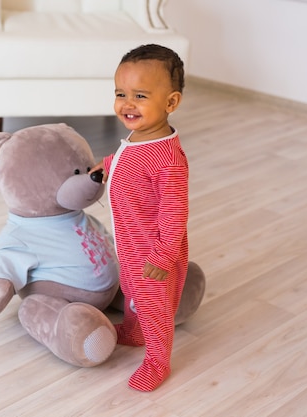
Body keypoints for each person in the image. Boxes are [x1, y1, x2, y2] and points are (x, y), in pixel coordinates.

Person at [89, 44, 189, 392]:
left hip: (153, 253)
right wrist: (109, 163)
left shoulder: (169, 159)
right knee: (130, 291)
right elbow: (130, 161)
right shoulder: (140, 135)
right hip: (130, 245)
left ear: (170, 103)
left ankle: (158, 360)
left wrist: (163, 256)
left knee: (154, 305)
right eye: (120, 93)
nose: (127, 104)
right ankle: (133, 330)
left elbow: (175, 214)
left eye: (140, 95)